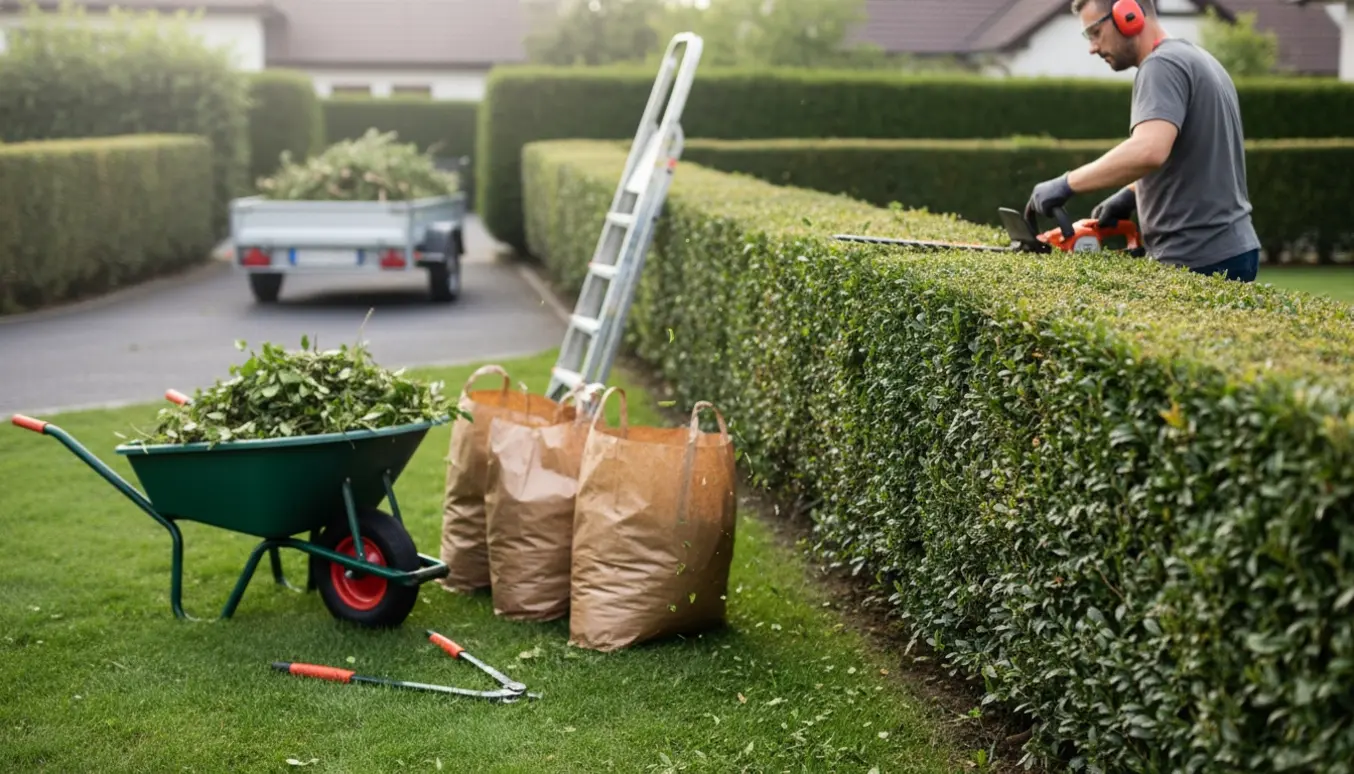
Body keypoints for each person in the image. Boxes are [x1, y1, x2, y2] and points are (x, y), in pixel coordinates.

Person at [1025, 0, 1261, 282]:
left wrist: (1066, 184)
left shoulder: (1160, 66)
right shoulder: (1198, 58)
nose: (1092, 47)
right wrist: (1132, 193)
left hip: (1196, 256)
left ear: (1129, 15)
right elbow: (1192, 151)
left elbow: (1149, 150)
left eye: (1095, 32)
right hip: (1232, 247)